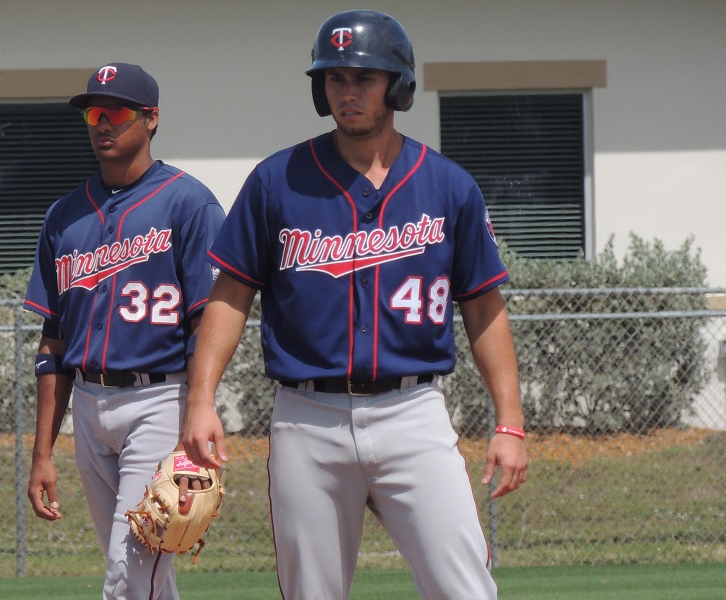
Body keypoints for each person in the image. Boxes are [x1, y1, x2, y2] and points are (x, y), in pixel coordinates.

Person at [178, 10, 528, 599]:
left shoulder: (446, 185)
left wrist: (510, 423)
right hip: (307, 419)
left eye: (363, 78)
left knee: (466, 589)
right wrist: (200, 400)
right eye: (334, 79)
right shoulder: (276, 180)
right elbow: (231, 295)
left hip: (412, 413)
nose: (347, 92)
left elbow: (483, 309)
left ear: (397, 86)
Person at [23, 62, 225, 600]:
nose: (101, 123)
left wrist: (198, 410)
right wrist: (43, 453)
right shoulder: (64, 216)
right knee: (145, 573)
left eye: (116, 111)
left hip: (160, 397)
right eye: (93, 112)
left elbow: (209, 319)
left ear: (151, 119)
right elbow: (53, 341)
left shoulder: (189, 202)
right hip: (88, 404)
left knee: (129, 567)